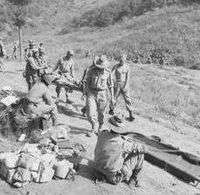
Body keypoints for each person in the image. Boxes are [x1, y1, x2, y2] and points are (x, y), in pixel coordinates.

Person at [94, 115, 145, 186]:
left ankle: (102, 173)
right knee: (140, 153)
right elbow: (142, 148)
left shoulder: (102, 134)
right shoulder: (123, 143)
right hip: (113, 177)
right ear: (121, 128)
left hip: (97, 169)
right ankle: (133, 179)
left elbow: (112, 141)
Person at [84, 55, 114, 136]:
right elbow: (87, 82)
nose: (100, 68)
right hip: (92, 92)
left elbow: (111, 85)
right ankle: (94, 126)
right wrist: (85, 92)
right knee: (90, 113)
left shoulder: (108, 72)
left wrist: (112, 98)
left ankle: (100, 126)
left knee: (102, 113)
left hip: (102, 94)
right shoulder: (91, 70)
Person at [109, 54, 135, 121]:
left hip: (125, 84)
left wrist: (126, 85)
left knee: (128, 99)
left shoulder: (127, 67)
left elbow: (128, 77)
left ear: (125, 60)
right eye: (120, 59)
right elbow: (111, 74)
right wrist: (111, 82)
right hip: (117, 83)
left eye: (123, 60)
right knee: (114, 97)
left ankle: (131, 114)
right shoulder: (116, 66)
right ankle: (111, 109)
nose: (121, 61)